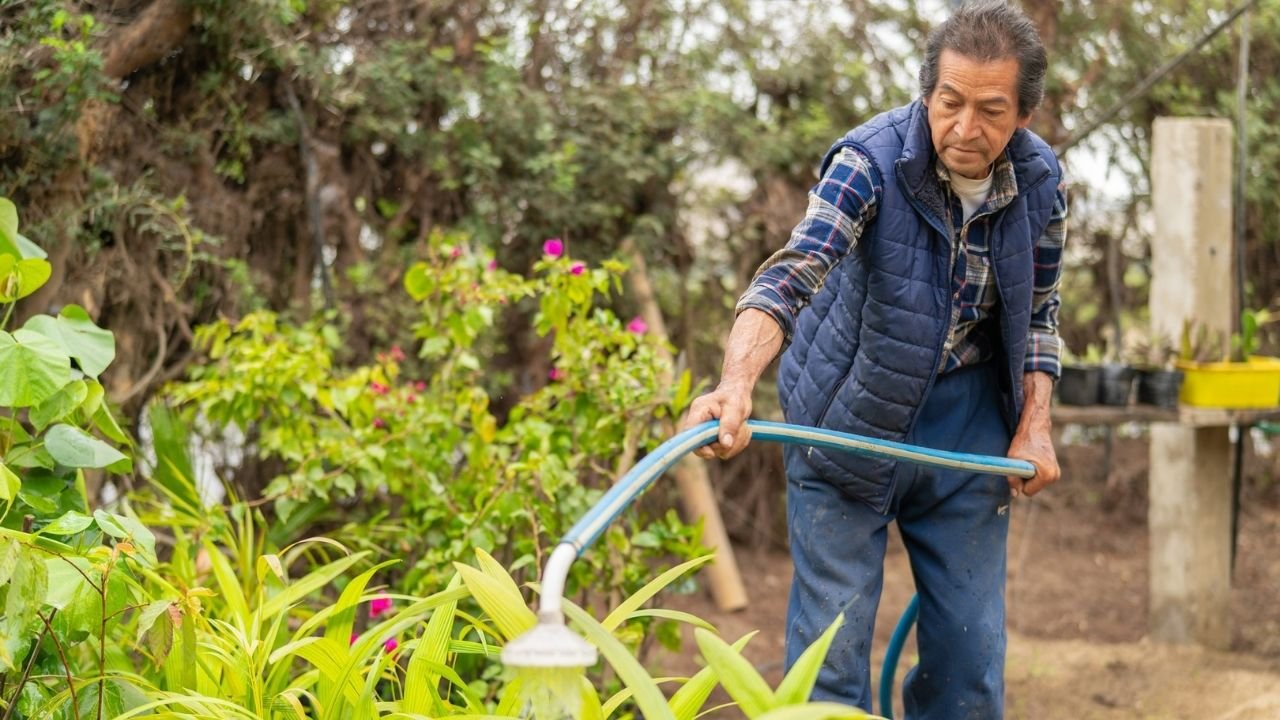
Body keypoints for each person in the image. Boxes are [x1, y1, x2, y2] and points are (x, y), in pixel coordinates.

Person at [679, 2, 1066, 717]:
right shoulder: (869, 161)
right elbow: (790, 275)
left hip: (967, 428)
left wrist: (1034, 424)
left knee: (970, 660)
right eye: (950, 102)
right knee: (830, 657)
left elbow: (1040, 316)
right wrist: (734, 387)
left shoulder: (1040, 182)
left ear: (1025, 116)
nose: (963, 128)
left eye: (989, 110)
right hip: (845, 417)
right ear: (928, 93)